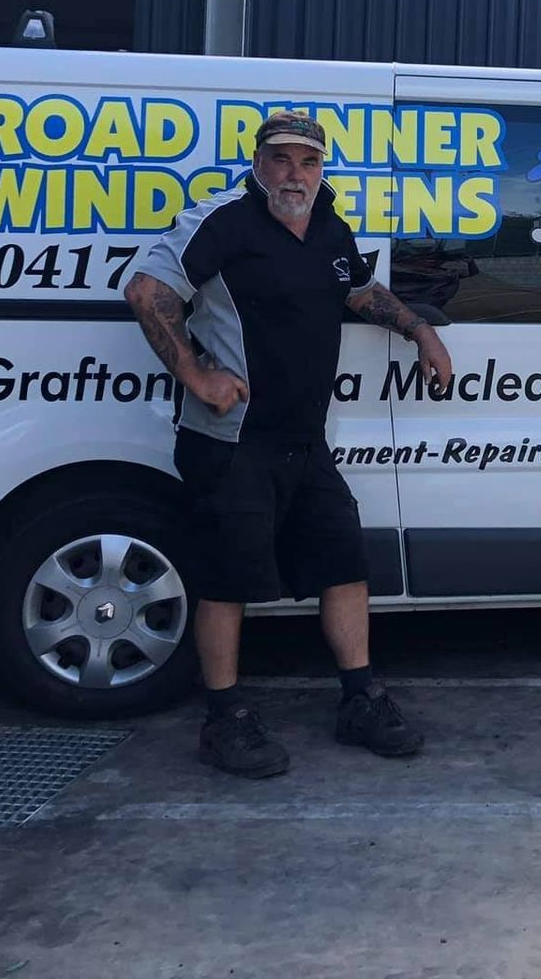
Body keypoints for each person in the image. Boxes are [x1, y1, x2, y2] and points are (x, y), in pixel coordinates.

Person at [124, 110, 455, 778]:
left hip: (305, 441)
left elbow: (358, 289)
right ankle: (223, 719)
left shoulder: (328, 224)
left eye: (307, 160)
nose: (293, 173)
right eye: (280, 159)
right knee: (227, 579)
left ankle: (360, 699)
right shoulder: (224, 221)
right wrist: (194, 373)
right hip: (231, 441)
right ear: (258, 163)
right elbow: (148, 290)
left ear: (322, 166)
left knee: (344, 565)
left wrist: (420, 330)